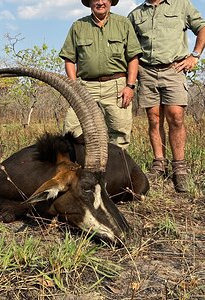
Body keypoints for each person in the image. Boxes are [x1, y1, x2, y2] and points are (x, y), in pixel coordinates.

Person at [128, 0, 205, 192]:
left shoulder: (181, 5)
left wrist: (195, 55)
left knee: (176, 118)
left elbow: (202, 28)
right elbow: (128, 45)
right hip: (146, 71)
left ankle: (179, 167)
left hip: (174, 69)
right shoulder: (136, 14)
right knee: (154, 119)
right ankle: (159, 164)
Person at [59, 0, 142, 149]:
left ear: (110, 2)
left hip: (116, 86)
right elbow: (69, 59)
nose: (100, 2)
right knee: (71, 130)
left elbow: (133, 58)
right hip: (85, 87)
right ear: (90, 2)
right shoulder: (78, 26)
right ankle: (76, 168)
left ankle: (116, 169)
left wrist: (130, 86)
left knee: (119, 133)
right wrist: (74, 86)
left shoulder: (123, 23)